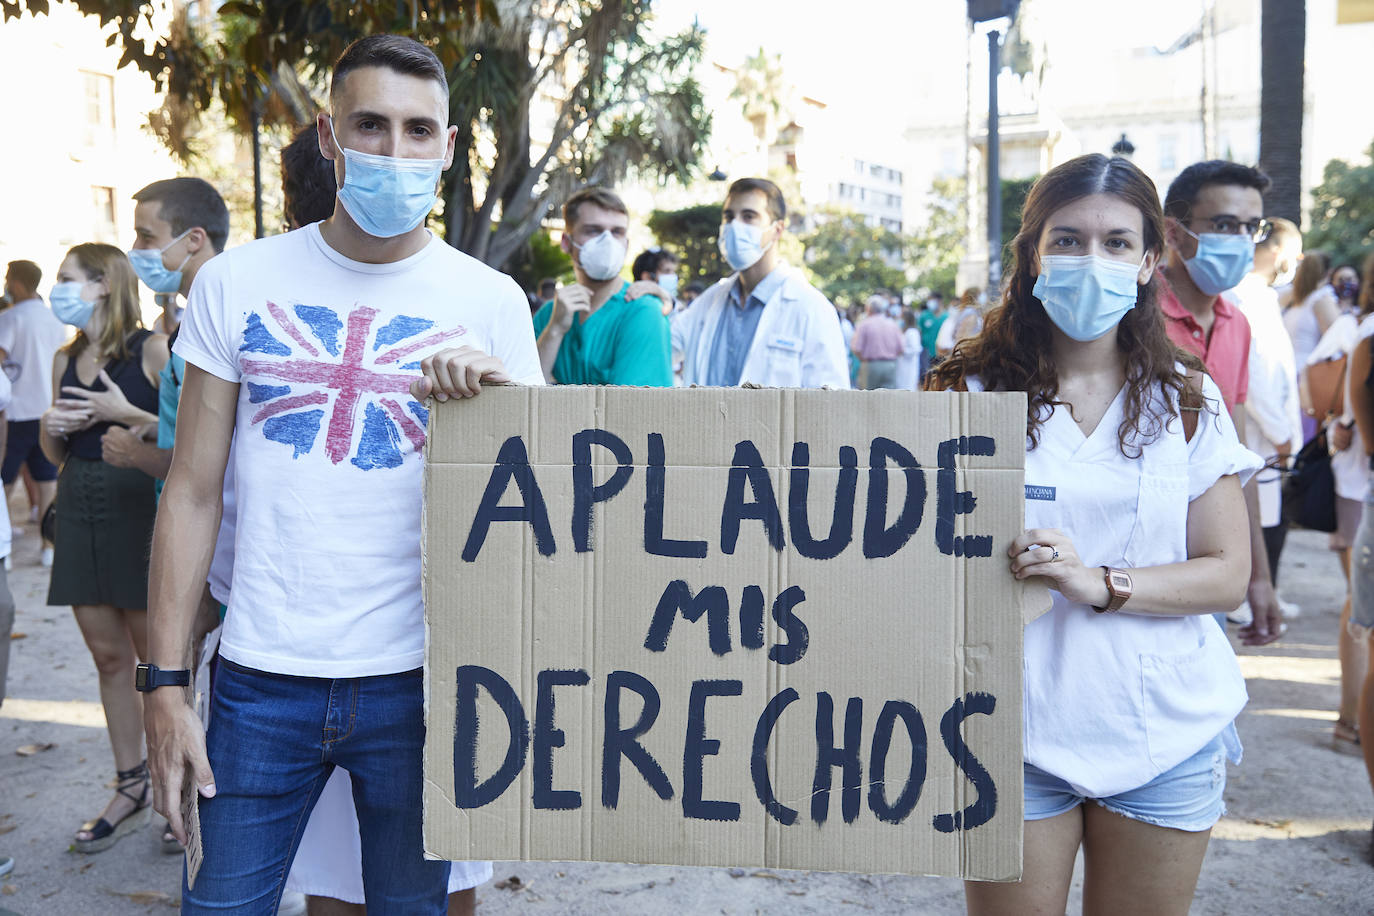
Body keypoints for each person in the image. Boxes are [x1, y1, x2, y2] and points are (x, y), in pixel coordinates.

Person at [143, 35, 543, 913]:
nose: (393, 153)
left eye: (416, 131)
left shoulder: (492, 304)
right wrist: (165, 685)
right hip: (257, 681)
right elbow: (192, 490)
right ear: (328, 136)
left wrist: (498, 410)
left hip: (423, 686)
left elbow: (535, 515)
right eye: (369, 125)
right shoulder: (237, 283)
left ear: (446, 148)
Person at [927, 153, 1257, 916]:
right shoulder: (962, 391)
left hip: (1162, 735)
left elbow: (1225, 573)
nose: (1090, 260)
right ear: (1033, 254)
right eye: (1067, 239)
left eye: (1116, 243)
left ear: (1149, 262)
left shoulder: (1186, 398)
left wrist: (1102, 582)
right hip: (1008, 731)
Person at [40, 243, 169, 852]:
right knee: (109, 659)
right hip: (81, 510)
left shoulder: (149, 348)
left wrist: (125, 412)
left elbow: (175, 432)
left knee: (156, 664)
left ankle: (175, 791)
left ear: (101, 284)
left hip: (137, 510)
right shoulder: (67, 355)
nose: (57, 289)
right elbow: (55, 455)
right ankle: (131, 785)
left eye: (66, 279)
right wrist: (50, 429)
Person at [1159, 159, 1282, 645]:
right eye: (1225, 225)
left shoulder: (1238, 324)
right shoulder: (1127, 314)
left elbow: (1234, 458)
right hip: (1130, 563)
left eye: (1251, 227)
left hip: (1208, 568)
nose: (1241, 240)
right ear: (1175, 231)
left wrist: (1259, 576)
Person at [99, 178, 229, 490]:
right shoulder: (202, 316)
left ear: (194, 239)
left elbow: (206, 457)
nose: (135, 250)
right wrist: (151, 427)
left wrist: (133, 453)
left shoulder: (216, 322)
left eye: (146, 237)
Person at [672, 177, 849, 389]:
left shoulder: (813, 308)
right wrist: (661, 301)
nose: (735, 226)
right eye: (729, 217)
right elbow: (662, 346)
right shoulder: (710, 300)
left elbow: (830, 403)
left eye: (749, 216)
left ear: (777, 230)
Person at [1227, 217, 1303, 610]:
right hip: (1259, 433)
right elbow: (1254, 375)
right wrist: (1280, 432)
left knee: (1267, 517)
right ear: (1276, 251)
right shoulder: (1244, 295)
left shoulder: (1262, 294)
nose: (1298, 260)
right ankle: (1248, 597)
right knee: (1251, 518)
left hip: (1270, 431)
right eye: (1295, 251)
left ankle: (1263, 593)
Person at [532, 188, 672, 386]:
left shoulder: (642, 310)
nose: (607, 241)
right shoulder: (549, 315)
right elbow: (525, 396)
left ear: (626, 243)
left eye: (617, 232)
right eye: (593, 230)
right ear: (566, 242)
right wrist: (554, 330)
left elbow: (634, 407)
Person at [0, 259, 68, 564]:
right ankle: (48, 547)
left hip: (15, 410)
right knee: (46, 480)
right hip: (46, 408)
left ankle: (6, 552)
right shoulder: (54, 318)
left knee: (5, 477)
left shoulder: (11, 318)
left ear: (15, 282)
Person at [850, 293, 905, 389]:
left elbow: (856, 348)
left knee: (868, 399)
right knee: (889, 399)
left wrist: (863, 359)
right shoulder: (892, 324)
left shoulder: (864, 325)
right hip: (890, 365)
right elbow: (901, 348)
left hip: (870, 365)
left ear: (868, 309)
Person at [935, 288, 984, 357]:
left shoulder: (965, 312)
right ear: (976, 296)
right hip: (966, 355)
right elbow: (963, 337)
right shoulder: (970, 313)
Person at [894, 309, 923, 391]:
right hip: (902, 365)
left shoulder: (912, 332)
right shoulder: (904, 332)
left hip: (909, 366)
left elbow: (915, 349)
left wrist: (902, 350)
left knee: (908, 387)